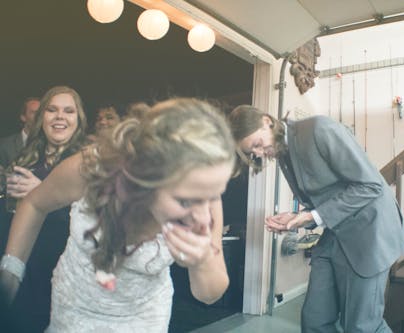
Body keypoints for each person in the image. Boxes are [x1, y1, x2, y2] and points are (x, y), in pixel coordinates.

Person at [0, 98, 234, 332]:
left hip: (145, 316)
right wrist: (10, 273)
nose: (204, 217)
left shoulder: (201, 189)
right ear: (144, 180)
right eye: (184, 201)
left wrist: (202, 262)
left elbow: (209, 295)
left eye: (214, 195)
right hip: (75, 309)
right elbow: (34, 204)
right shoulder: (91, 169)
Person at [228, 105, 404, 333]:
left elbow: (370, 185)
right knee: (314, 321)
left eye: (256, 144)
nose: (258, 153)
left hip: (371, 234)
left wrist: (312, 216)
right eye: (251, 152)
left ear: (266, 121)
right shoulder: (283, 152)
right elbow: (325, 198)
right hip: (336, 233)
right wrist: (297, 217)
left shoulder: (318, 129)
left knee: (362, 326)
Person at [1, 85, 88, 332]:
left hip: (59, 267)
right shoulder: (27, 155)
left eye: (69, 111)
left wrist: (41, 193)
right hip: (21, 258)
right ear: (42, 118)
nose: (60, 116)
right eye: (52, 110)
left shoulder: (85, 161)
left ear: (78, 120)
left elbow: (91, 219)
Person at [0, 97, 40, 168]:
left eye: (41, 113)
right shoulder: (4, 145)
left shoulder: (51, 144)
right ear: (23, 117)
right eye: (34, 112)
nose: (39, 116)